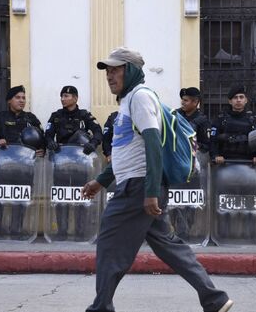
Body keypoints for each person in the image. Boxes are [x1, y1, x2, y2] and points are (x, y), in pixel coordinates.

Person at [81, 47, 233, 312]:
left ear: (131, 71)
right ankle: (215, 299)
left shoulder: (140, 98)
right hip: (138, 184)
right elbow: (127, 153)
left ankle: (101, 307)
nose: (109, 76)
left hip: (139, 187)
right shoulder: (128, 101)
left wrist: (151, 192)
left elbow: (153, 143)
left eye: (116, 69)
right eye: (107, 71)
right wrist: (101, 181)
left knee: (108, 244)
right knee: (168, 246)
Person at [0, 85, 45, 238]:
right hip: (3, 167)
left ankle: (16, 230)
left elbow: (41, 138)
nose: (21, 101)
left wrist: (42, 149)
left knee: (21, 200)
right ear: (9, 101)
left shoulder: (31, 119)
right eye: (18, 98)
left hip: (24, 168)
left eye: (24, 98)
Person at [210, 86, 256, 164]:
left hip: (248, 162)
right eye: (235, 97)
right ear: (230, 101)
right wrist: (215, 155)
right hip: (225, 162)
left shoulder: (253, 120)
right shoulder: (221, 119)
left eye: (241, 97)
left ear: (246, 100)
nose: (238, 100)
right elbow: (213, 140)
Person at [45, 85, 103, 155]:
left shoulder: (84, 115)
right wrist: (50, 142)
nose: (62, 99)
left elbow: (98, 131)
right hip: (61, 155)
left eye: (66, 96)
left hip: (81, 155)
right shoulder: (56, 116)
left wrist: (93, 143)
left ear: (75, 98)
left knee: (80, 135)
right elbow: (48, 134)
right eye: (61, 96)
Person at [178, 87, 211, 153]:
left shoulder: (202, 120)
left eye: (185, 100)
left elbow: (206, 145)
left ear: (195, 102)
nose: (182, 102)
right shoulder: (175, 114)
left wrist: (196, 145)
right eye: (182, 100)